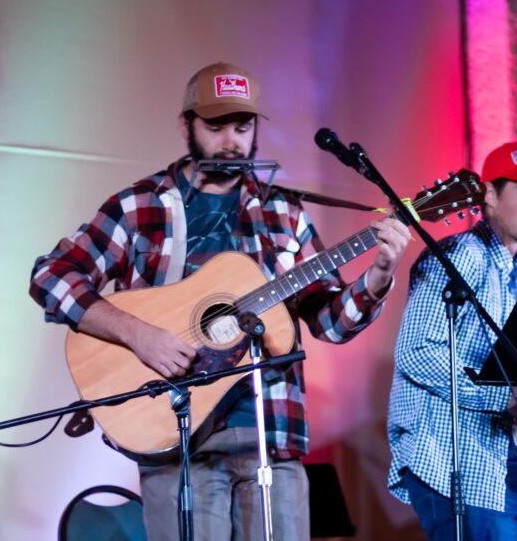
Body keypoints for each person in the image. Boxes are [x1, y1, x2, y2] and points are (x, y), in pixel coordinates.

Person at [29, 62, 410, 541]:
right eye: (216, 126)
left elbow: (331, 323)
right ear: (185, 125)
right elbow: (51, 275)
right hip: (178, 440)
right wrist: (139, 335)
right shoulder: (140, 206)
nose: (231, 140)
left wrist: (378, 275)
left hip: (271, 434)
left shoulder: (283, 213)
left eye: (242, 126)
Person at [387, 141, 517, 540]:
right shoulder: (462, 255)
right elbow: (416, 352)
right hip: (453, 454)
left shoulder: (514, 270)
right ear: (489, 194)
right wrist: (501, 396)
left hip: (507, 454)